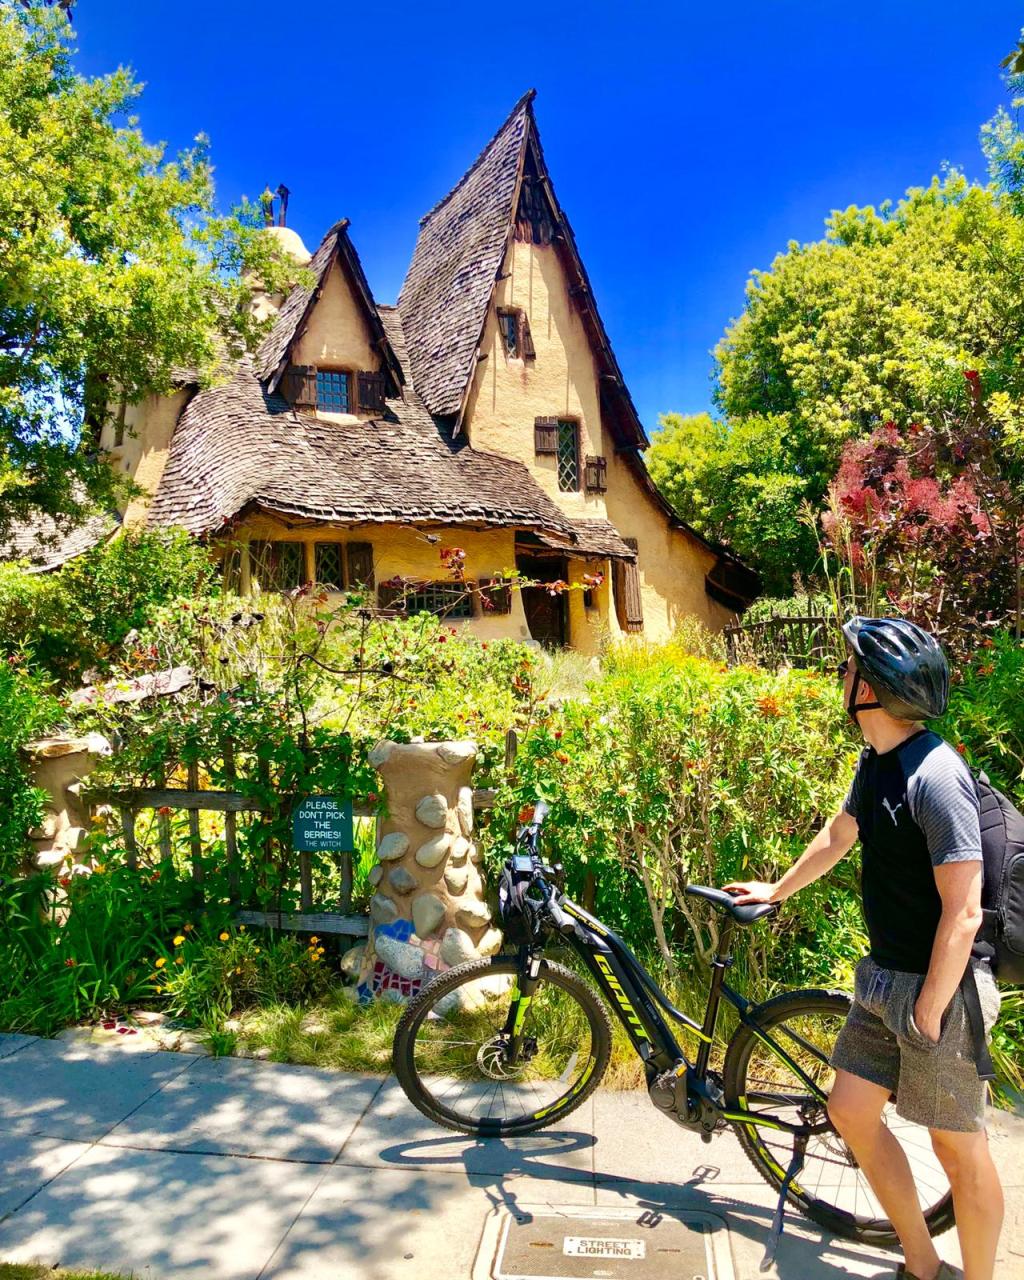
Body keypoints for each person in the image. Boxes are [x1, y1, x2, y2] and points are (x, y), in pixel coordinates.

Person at [725, 617, 1003, 1280]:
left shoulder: (936, 778)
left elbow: (964, 911)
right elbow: (841, 831)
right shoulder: (875, 763)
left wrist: (932, 1009)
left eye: (850, 668)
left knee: (957, 1149)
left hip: (942, 991)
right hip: (883, 981)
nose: (841, 676)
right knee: (849, 1112)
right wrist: (778, 889)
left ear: (872, 690)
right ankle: (923, 1266)